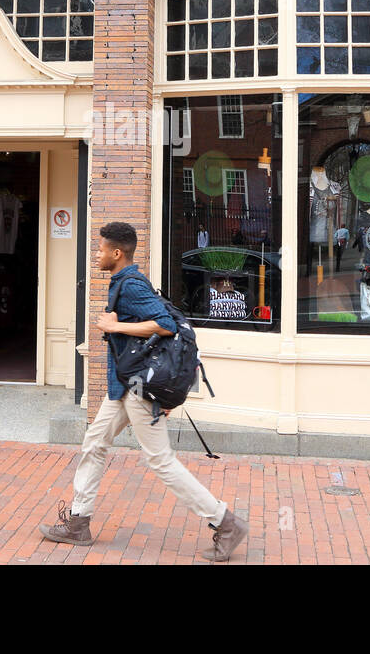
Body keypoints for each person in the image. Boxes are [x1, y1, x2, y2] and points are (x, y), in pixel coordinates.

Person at [40, 221, 248, 561]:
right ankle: (79, 522)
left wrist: (114, 325)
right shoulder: (123, 280)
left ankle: (225, 522)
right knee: (94, 442)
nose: (97, 253)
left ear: (117, 253)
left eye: (101, 248)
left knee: (160, 460)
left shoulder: (132, 285)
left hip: (137, 389)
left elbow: (165, 325)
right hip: (123, 385)